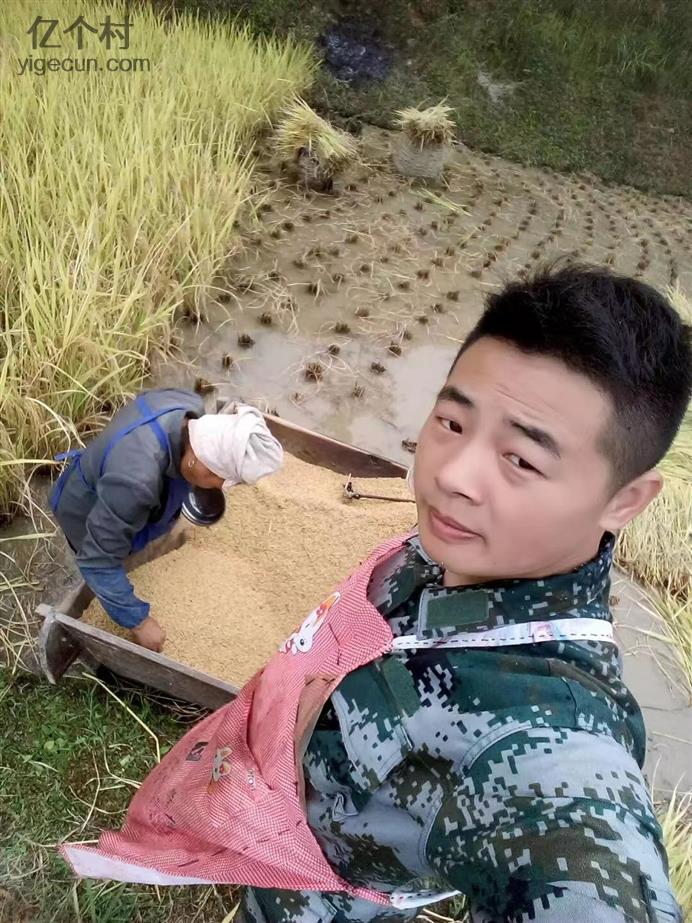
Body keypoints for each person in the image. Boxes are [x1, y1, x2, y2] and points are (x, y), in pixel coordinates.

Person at [62, 265, 689, 923]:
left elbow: (589, 865)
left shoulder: (547, 738)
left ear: (625, 500)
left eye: (521, 460)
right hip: (268, 826)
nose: (453, 475)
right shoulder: (457, 546)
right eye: (452, 421)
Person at [50, 388, 283, 652]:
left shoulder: (188, 406)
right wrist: (138, 622)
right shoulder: (136, 483)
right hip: (84, 509)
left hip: (117, 478)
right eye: (221, 480)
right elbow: (96, 560)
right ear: (197, 462)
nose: (220, 488)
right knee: (104, 556)